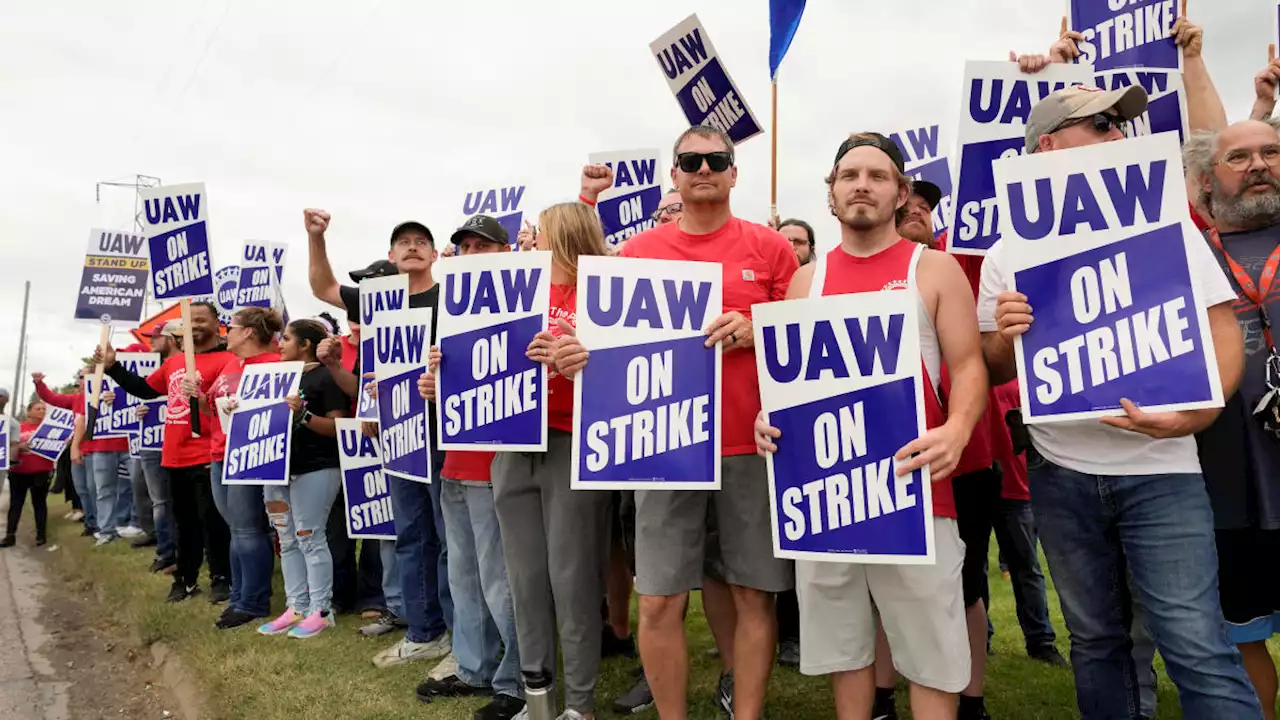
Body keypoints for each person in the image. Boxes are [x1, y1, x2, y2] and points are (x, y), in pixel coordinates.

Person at [978, 76, 1260, 716]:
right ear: (1049, 145)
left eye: (1121, 123)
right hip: (1062, 473)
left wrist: (1202, 410)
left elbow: (1223, 331)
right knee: (1097, 642)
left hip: (1163, 471)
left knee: (1195, 644)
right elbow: (993, 366)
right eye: (1101, 124)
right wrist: (1008, 332)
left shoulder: (1170, 229)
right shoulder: (1007, 254)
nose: (1120, 134)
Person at [554, 125, 799, 720]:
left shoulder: (772, 250)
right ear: (675, 174)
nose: (704, 168)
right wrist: (574, 353)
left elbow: (805, 339)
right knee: (660, 600)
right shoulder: (637, 253)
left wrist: (758, 325)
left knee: (750, 595)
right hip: (661, 449)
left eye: (717, 159)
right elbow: (597, 346)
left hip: (748, 445)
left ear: (735, 173)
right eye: (690, 160)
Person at [753, 132, 986, 720]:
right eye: (849, 175)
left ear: (901, 193)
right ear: (831, 193)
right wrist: (767, 420)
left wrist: (958, 427)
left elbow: (967, 365)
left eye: (877, 176)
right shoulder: (808, 281)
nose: (862, 184)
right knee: (843, 646)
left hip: (916, 491)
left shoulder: (933, 269)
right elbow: (793, 381)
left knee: (931, 652)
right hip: (827, 496)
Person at [304, 209, 453, 669]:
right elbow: (322, 288)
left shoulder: (451, 298)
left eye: (420, 241)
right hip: (398, 436)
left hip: (444, 434)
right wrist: (316, 238)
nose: (412, 246)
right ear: (390, 255)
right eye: (402, 241)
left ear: (432, 253)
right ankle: (426, 631)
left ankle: (459, 633)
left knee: (451, 541)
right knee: (410, 536)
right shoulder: (376, 299)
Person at [481, 201, 609, 720]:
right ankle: (537, 699)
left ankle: (578, 705)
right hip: (515, 444)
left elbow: (634, 366)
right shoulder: (516, 290)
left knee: (572, 578)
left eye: (538, 232)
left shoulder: (604, 291)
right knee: (525, 578)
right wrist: (450, 364)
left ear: (565, 233)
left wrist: (580, 355)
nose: (528, 240)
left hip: (574, 444)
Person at [1186, 118, 1280, 719]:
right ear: (1206, 181)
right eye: (1238, 156)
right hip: (1227, 478)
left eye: (1270, 151)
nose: (1257, 165)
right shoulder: (1185, 253)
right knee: (1241, 630)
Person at [416, 215, 526, 720]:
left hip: (497, 466)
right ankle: (474, 667)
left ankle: (520, 680)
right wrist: (434, 384)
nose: (472, 252)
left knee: (500, 579)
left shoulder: (528, 304)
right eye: (464, 246)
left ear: (506, 251)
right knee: (464, 577)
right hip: (454, 463)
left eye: (484, 244)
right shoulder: (451, 315)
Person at [99, 302, 236, 604]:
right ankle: (185, 579)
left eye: (202, 320)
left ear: (217, 325)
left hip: (209, 453)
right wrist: (113, 367)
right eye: (190, 321)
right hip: (174, 454)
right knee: (183, 522)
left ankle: (221, 578)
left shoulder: (230, 359)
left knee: (213, 521)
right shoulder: (174, 363)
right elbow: (146, 389)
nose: (196, 325)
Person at [315, 278, 403, 635]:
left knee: (378, 520)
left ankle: (375, 594)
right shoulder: (342, 347)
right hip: (351, 440)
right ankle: (341, 592)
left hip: (384, 437)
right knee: (343, 522)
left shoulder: (382, 339)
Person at [255, 318, 350, 639]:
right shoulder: (272, 378)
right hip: (276, 467)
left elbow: (339, 428)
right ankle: (296, 606)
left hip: (317, 468)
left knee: (311, 537)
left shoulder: (325, 378)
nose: (279, 344)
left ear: (305, 345)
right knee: (287, 539)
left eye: (286, 338)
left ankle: (321, 610)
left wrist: (304, 416)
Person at [201, 307, 284, 627]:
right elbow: (211, 413)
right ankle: (240, 595)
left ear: (249, 332)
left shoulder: (276, 365)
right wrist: (197, 396)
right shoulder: (231, 364)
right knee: (236, 529)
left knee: (248, 530)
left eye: (231, 327)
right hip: (219, 454)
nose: (225, 332)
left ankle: (253, 601)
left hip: (249, 457)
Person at [987, 381, 1066, 668]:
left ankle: (1041, 640)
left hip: (1014, 485)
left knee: (1026, 567)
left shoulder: (1021, 374)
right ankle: (980, 639)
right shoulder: (964, 367)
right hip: (976, 478)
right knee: (973, 568)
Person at [136, 322, 181, 574]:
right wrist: (139, 410)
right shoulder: (155, 368)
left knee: (181, 501)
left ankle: (185, 553)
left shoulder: (190, 363)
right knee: (160, 502)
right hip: (152, 442)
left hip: (179, 442)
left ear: (172, 339)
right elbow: (140, 394)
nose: (152, 342)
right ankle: (166, 552)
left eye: (156, 337)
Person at [2, 400, 52, 547]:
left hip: (41, 472)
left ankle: (41, 535)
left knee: (39, 503)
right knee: (16, 504)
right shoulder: (17, 427)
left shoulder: (50, 429)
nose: (42, 411)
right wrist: (19, 447)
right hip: (19, 472)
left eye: (44, 409)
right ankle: (9, 536)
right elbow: (5, 445)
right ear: (28, 412)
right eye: (38, 408)